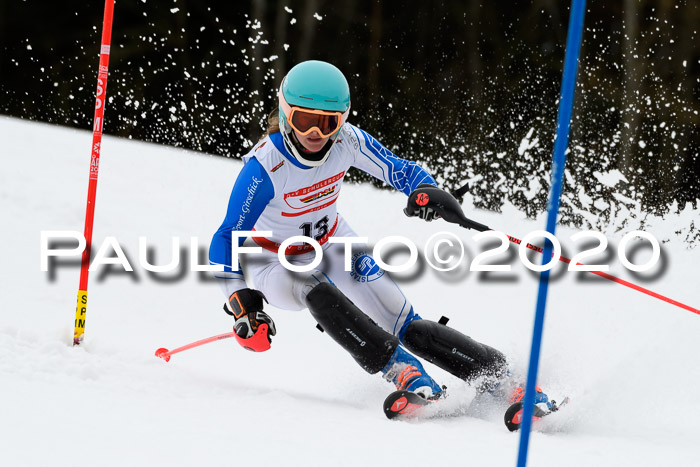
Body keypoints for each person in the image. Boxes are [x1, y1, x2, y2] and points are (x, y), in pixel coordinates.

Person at [209, 60, 546, 406]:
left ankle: (504, 379)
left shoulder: (347, 141)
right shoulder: (264, 168)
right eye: (304, 120)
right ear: (284, 114)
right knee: (318, 293)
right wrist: (240, 305)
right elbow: (225, 238)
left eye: (328, 122)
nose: (316, 134)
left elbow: (401, 171)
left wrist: (426, 190)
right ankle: (405, 372)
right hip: (275, 263)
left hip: (334, 244)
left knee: (406, 323)